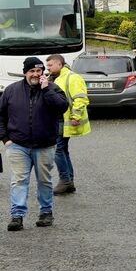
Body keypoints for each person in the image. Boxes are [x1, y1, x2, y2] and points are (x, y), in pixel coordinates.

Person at [3, 57, 70, 231]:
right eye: (32, 71)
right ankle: (17, 216)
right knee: (18, 181)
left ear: (43, 72)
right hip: (17, 145)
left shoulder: (53, 89)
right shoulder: (11, 91)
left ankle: (46, 213)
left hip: (44, 145)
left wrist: (46, 89)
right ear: (25, 72)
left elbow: (62, 107)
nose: (35, 74)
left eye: (39, 71)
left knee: (44, 181)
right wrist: (5, 139)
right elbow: (0, 116)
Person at [46, 54, 90, 195]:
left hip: (64, 120)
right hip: (56, 119)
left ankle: (65, 181)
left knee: (58, 150)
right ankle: (68, 181)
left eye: (51, 65)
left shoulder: (72, 77)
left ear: (60, 64)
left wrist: (75, 116)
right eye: (47, 65)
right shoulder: (54, 77)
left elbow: (81, 99)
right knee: (62, 150)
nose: (48, 68)